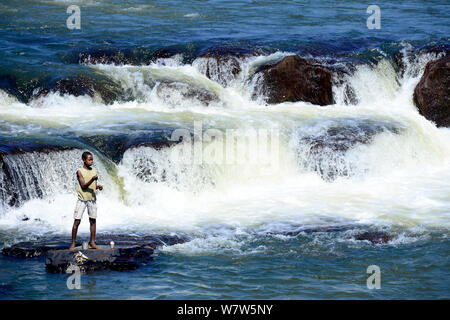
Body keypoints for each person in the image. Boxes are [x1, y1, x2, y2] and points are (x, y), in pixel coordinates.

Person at [69, 151, 103, 250]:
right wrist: (93, 180)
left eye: (92, 159)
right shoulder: (79, 171)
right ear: (84, 160)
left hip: (92, 199)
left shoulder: (94, 171)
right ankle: (73, 243)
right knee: (77, 221)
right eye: (89, 159)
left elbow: (91, 186)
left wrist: (97, 186)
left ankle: (92, 243)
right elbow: (84, 186)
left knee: (93, 220)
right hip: (82, 199)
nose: (91, 161)